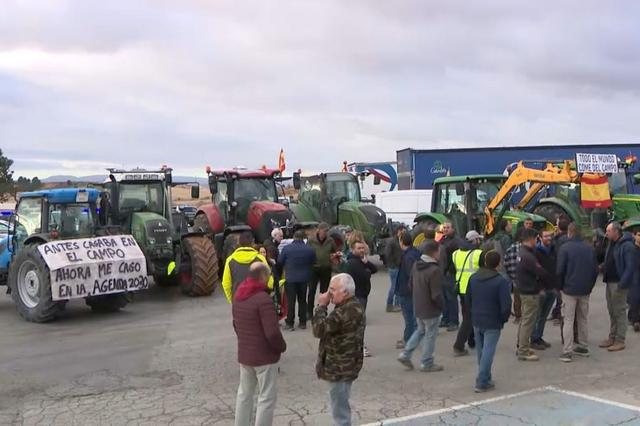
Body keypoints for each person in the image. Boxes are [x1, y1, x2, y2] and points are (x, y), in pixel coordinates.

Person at [232, 263, 287, 426]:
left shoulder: (239, 295)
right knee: (266, 397)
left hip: (245, 354)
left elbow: (235, 324)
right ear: (263, 276)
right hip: (264, 357)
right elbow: (272, 332)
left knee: (244, 394)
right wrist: (281, 347)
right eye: (269, 276)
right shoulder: (263, 299)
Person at [312, 274, 365, 426]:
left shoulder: (345, 311)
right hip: (344, 365)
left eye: (333, 290)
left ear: (346, 293)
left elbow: (318, 330)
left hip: (340, 368)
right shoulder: (350, 306)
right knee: (339, 405)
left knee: (339, 411)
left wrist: (321, 306)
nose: (329, 294)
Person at [467, 250, 511, 393]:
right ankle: (482, 381)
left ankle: (485, 377)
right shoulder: (501, 282)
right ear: (498, 264)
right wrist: (503, 319)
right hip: (493, 320)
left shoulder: (473, 278)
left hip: (477, 319)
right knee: (488, 352)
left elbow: (468, 299)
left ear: (485, 262)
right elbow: (505, 305)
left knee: (481, 352)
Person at [397, 241, 444, 372]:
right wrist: (442, 306)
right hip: (431, 308)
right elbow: (436, 294)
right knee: (430, 334)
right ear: (434, 252)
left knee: (420, 330)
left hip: (418, 305)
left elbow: (410, 285)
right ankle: (427, 362)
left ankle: (406, 354)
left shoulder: (416, 266)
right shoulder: (434, 270)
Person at [556, 223, 599, 362]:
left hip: (569, 289)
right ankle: (583, 346)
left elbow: (560, 270)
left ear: (569, 232)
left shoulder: (565, 248)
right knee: (583, 318)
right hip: (585, 289)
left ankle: (567, 351)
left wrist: (560, 287)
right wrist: (590, 286)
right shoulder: (589, 248)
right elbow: (595, 270)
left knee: (568, 320)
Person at [600, 222, 638, 352]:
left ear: (616, 231)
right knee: (612, 311)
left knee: (619, 312)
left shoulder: (627, 246)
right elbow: (608, 259)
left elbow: (630, 267)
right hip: (609, 281)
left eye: (609, 231)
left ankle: (620, 340)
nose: (606, 233)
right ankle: (612, 337)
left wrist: (622, 285)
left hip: (618, 283)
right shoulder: (612, 243)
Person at [515, 228, 550, 361]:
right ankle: (523, 350)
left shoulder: (522, 252)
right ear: (531, 239)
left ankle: (521, 346)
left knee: (525, 320)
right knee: (528, 322)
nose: (537, 241)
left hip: (524, 290)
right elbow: (541, 272)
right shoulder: (528, 256)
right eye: (536, 238)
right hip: (530, 292)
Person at [452, 230, 484, 356]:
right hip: (473, 289)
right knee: (469, 319)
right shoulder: (478, 253)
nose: (479, 241)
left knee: (467, 315)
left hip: (460, 288)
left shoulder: (455, 253)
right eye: (478, 239)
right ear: (475, 240)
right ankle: (458, 345)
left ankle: (472, 340)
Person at [278, 230, 317, 331]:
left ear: (294, 237)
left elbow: (280, 262)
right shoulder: (310, 249)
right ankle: (302, 322)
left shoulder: (287, 249)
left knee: (291, 301)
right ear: (303, 238)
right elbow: (313, 262)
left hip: (290, 278)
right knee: (302, 300)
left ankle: (290, 322)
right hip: (304, 278)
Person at [346, 240, 377, 357]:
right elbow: (365, 275)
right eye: (359, 248)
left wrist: (367, 263)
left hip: (362, 294)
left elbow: (374, 270)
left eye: (363, 248)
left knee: (357, 323)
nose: (362, 250)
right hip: (357, 296)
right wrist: (367, 270)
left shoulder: (361, 260)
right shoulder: (353, 262)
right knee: (359, 323)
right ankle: (359, 347)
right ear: (353, 249)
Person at [223, 232, 273, 303]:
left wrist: (232, 300)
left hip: (238, 301)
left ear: (239, 243)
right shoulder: (260, 258)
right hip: (257, 300)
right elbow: (269, 280)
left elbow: (226, 284)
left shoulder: (230, 260)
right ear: (252, 243)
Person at [530, 230, 558, 350]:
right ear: (540, 238)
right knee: (536, 315)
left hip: (552, 288)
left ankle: (538, 337)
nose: (549, 238)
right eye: (546, 236)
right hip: (541, 289)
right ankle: (533, 339)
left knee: (544, 316)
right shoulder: (535, 252)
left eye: (550, 236)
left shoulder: (553, 249)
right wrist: (539, 287)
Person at [394, 232, 422, 349]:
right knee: (411, 316)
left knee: (409, 317)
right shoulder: (414, 253)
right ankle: (409, 337)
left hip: (406, 290)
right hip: (410, 289)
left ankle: (409, 339)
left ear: (401, 242)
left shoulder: (408, 256)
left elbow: (411, 274)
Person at [438, 221, 464, 331]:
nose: (445, 229)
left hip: (450, 273)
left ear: (453, 229)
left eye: (448, 227)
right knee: (443, 298)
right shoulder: (442, 240)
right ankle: (445, 318)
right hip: (442, 273)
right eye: (444, 227)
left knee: (451, 298)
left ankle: (454, 321)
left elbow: (457, 258)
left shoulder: (456, 241)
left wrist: (451, 270)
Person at [308, 223, 339, 311]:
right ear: (319, 230)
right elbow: (307, 252)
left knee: (324, 292)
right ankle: (309, 311)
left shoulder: (330, 240)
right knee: (311, 291)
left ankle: (321, 310)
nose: (326, 233)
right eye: (324, 230)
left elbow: (334, 251)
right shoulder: (311, 241)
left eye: (327, 231)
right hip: (314, 268)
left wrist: (335, 255)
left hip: (326, 268)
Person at [550, 215, 571, 323]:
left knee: (559, 293)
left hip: (560, 270)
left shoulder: (559, 240)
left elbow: (556, 254)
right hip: (566, 270)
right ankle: (557, 312)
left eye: (557, 224)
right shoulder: (566, 239)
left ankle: (558, 314)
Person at [383, 224, 405, 312]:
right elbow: (387, 254)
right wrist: (395, 262)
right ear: (398, 231)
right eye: (403, 231)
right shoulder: (392, 241)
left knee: (398, 286)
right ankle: (389, 305)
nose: (404, 233)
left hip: (398, 266)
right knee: (394, 287)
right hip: (394, 267)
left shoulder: (400, 240)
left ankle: (397, 304)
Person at [504, 236, 522, 323]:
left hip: (515, 277)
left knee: (517, 298)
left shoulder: (510, 249)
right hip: (527, 279)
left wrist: (511, 276)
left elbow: (506, 263)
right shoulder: (528, 248)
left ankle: (518, 316)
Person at [630, 230, 640, 333]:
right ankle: (635, 320)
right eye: (639, 235)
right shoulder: (632, 249)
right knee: (635, 298)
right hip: (634, 276)